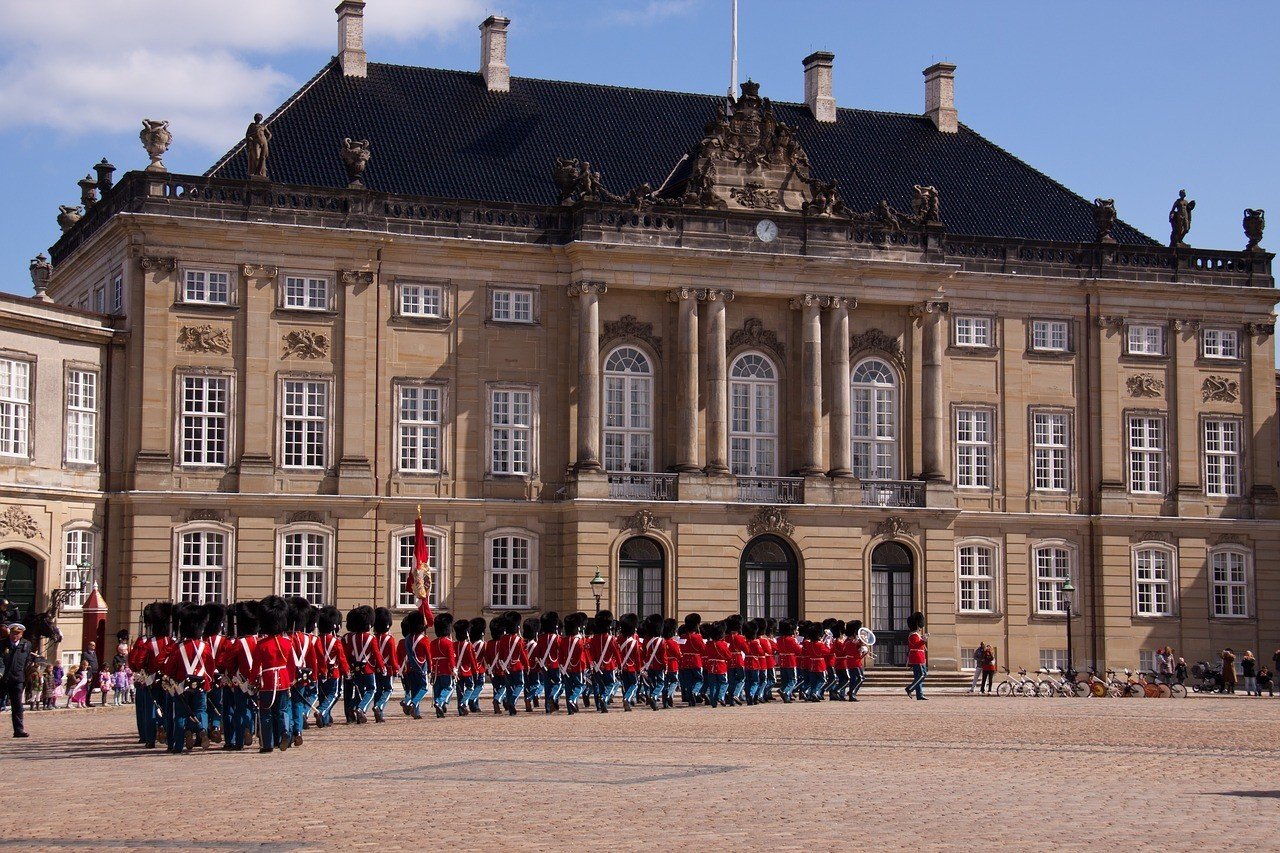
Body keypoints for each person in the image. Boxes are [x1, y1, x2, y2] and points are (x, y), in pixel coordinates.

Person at [252, 596, 295, 753]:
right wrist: (291, 680)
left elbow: (255, 666)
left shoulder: (262, 644)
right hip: (283, 679)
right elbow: (291, 664)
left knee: (266, 713)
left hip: (267, 681)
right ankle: (284, 732)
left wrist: (252, 682)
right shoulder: (287, 642)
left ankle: (267, 744)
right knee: (282, 710)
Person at [397, 610, 430, 720]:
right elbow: (428, 656)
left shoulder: (407, 639)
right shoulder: (424, 640)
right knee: (424, 688)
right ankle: (413, 703)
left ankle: (416, 712)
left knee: (415, 689)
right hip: (421, 668)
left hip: (410, 668)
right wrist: (431, 669)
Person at [0, 622, 32, 737]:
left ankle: (19, 730)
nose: (15, 635)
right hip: (3, 679)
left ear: (21, 634)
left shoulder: (26, 644)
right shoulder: (3, 644)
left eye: (17, 633)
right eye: (13, 633)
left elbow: (28, 661)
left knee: (17, 705)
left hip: (18, 679)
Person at [429, 614, 457, 718]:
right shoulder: (448, 643)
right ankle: (439, 702)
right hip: (446, 668)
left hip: (436, 670)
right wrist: (454, 669)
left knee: (437, 688)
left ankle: (438, 707)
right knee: (448, 687)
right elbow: (451, 657)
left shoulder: (433, 643)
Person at [905, 611, 928, 700]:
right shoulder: (913, 635)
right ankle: (910, 688)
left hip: (920, 656)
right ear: (917, 625)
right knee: (922, 675)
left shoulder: (917, 635)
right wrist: (924, 640)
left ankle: (919, 694)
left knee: (918, 676)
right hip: (917, 657)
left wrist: (923, 643)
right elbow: (916, 644)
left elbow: (919, 644)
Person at [81, 642, 101, 706]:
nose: (93, 646)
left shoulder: (94, 653)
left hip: (95, 672)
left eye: (94, 645)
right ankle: (84, 701)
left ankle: (88, 701)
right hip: (89, 673)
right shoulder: (85, 654)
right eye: (92, 645)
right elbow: (83, 663)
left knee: (91, 688)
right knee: (87, 688)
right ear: (89, 646)